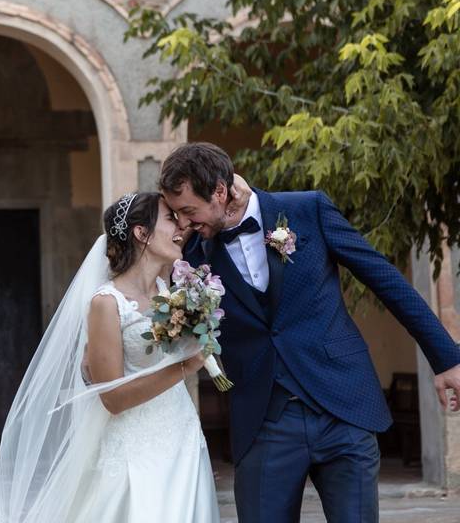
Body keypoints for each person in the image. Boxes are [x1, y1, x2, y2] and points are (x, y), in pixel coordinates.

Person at [160, 141, 460, 523]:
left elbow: (385, 281)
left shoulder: (308, 209)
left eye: (189, 210)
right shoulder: (191, 257)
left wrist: (447, 357)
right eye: (177, 213)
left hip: (343, 408)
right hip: (263, 422)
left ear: (220, 191)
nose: (184, 222)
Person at [0, 192, 219, 523]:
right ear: (141, 233)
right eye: (171, 219)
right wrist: (187, 366)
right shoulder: (106, 303)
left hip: (182, 440)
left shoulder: (173, 293)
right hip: (134, 450)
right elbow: (112, 399)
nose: (181, 226)